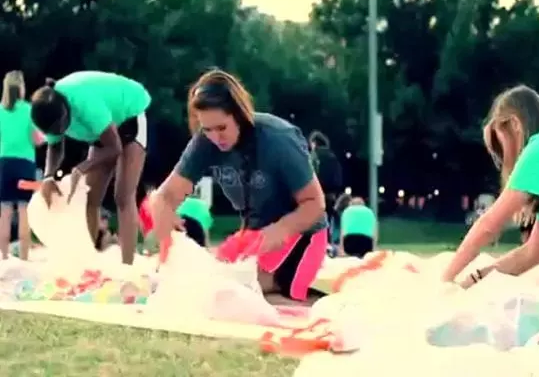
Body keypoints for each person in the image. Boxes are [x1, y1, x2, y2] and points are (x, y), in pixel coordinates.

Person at [150, 68, 328, 303]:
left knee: (245, 292)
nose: (215, 137)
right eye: (207, 129)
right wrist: (162, 211)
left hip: (303, 233)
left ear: (240, 114)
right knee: (204, 282)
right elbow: (166, 194)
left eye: (222, 128)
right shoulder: (205, 142)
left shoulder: (279, 139)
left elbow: (315, 204)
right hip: (253, 234)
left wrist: (281, 229)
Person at [441, 84, 539, 290]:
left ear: (514, 125)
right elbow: (532, 252)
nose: (503, 158)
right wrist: (475, 280)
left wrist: (445, 280)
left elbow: (488, 226)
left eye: (499, 143)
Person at [30, 71, 151, 264]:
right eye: (54, 131)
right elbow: (55, 146)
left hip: (129, 117)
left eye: (61, 128)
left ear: (65, 110)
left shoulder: (83, 101)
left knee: (123, 195)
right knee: (91, 198)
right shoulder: (49, 114)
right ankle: (90, 262)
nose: (60, 133)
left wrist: (81, 168)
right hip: (99, 134)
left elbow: (115, 147)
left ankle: (128, 264)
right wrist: (48, 178)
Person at [0, 71, 43, 260]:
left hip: (5, 164)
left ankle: (3, 257)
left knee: (5, 211)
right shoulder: (29, 110)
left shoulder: (0, 111)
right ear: (21, 88)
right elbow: (37, 140)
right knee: (25, 210)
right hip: (25, 164)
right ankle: (24, 258)